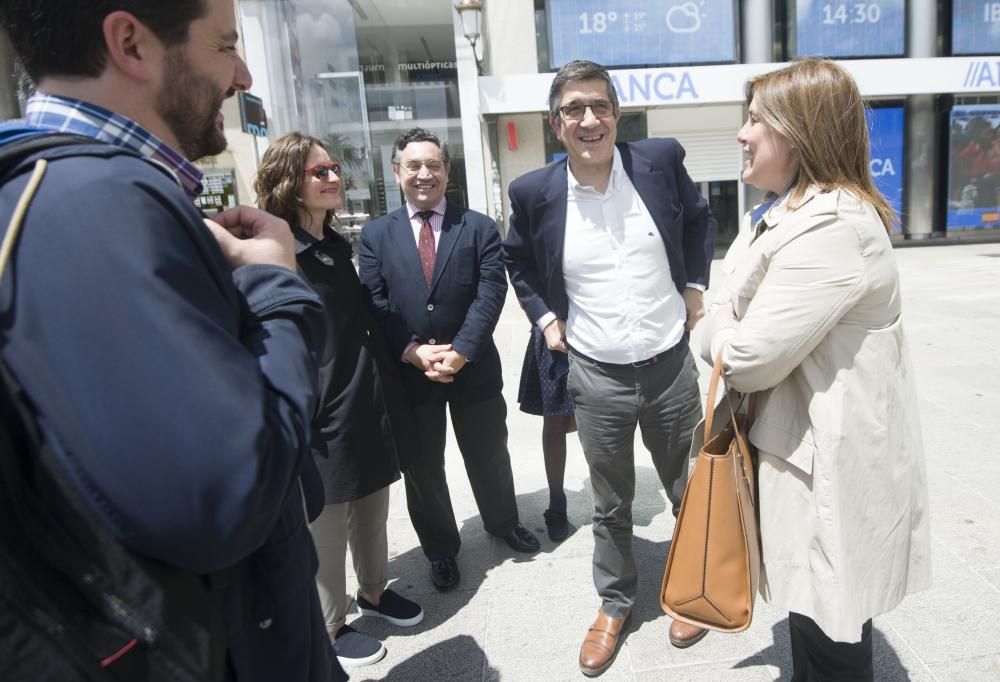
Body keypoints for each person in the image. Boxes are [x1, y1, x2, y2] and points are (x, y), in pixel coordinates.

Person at [0, 2, 343, 680]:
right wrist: (276, 287)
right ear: (131, 43)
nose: (243, 75)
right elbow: (228, 499)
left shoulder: (68, 193)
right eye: (224, 47)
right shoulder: (97, 205)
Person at [700, 57, 931, 681]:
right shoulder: (786, 210)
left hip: (825, 462)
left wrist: (709, 324)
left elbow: (745, 357)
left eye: (754, 121)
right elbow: (737, 302)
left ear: (798, 132)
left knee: (831, 626)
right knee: (814, 612)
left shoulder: (833, 225)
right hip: (799, 450)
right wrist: (727, 316)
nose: (742, 135)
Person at [503, 59, 717, 676]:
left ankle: (687, 588)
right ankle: (615, 603)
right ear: (556, 123)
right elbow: (518, 263)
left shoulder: (659, 161)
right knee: (610, 502)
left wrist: (697, 286)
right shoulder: (535, 192)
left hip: (670, 362)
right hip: (596, 372)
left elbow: (701, 220)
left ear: (617, 115)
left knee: (687, 487)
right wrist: (546, 320)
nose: (589, 119)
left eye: (599, 106)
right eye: (574, 109)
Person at [254, 132, 424, 669]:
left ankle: (374, 590)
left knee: (372, 503)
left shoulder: (332, 244)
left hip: (364, 399)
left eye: (334, 169)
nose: (333, 178)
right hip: (319, 412)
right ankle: (328, 625)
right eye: (319, 171)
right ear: (288, 182)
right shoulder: (277, 251)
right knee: (326, 520)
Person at [359, 127, 540, 592]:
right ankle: (441, 549)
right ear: (397, 172)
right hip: (409, 374)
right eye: (414, 165)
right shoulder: (376, 235)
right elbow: (374, 300)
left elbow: (490, 291)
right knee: (423, 467)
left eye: (433, 165)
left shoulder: (477, 226)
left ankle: (503, 522)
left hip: (472, 368)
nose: (424, 174)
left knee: (489, 453)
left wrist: (461, 351)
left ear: (447, 171)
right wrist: (413, 351)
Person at [516, 325, 574, 542]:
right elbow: (526, 293)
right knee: (555, 421)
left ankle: (609, 502)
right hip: (553, 331)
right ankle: (557, 501)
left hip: (597, 328)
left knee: (602, 422)